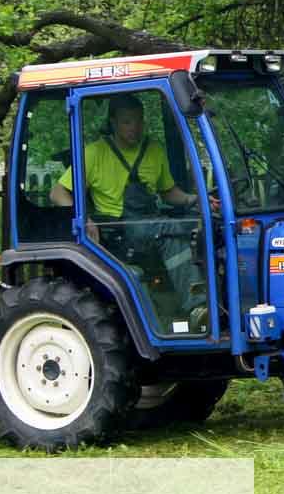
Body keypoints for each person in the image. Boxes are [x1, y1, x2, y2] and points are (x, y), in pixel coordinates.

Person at [49, 94, 209, 327]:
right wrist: (84, 219)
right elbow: (57, 193)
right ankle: (197, 305)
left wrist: (197, 200)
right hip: (119, 230)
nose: (135, 128)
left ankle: (207, 300)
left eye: (139, 121)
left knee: (200, 225)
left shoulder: (153, 150)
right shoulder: (94, 153)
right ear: (113, 122)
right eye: (127, 122)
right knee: (173, 228)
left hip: (149, 223)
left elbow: (169, 192)